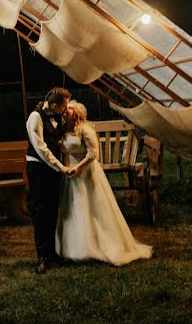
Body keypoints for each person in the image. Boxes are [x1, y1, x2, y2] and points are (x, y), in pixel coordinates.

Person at [55, 100, 152, 266]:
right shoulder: (64, 131)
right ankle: (75, 247)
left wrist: (77, 168)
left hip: (86, 172)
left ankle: (96, 246)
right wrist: (65, 167)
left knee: (91, 208)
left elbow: (93, 154)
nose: (66, 110)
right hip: (70, 174)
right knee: (73, 208)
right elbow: (64, 152)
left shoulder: (85, 130)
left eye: (70, 108)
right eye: (65, 108)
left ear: (77, 112)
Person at [25, 86, 72, 274]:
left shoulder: (57, 116)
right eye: (63, 107)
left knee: (53, 210)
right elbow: (41, 148)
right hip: (39, 168)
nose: (65, 110)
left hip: (53, 169)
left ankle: (52, 253)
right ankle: (41, 257)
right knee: (41, 212)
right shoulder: (35, 117)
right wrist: (60, 167)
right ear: (53, 104)